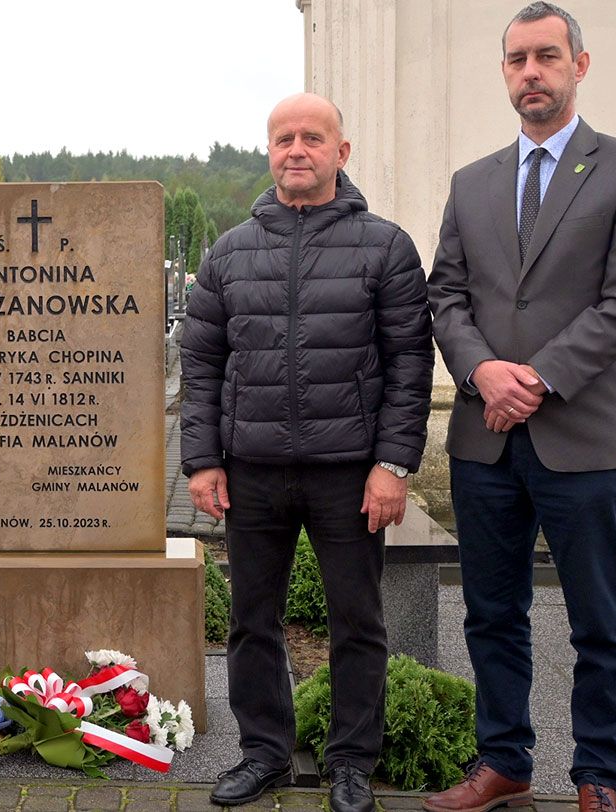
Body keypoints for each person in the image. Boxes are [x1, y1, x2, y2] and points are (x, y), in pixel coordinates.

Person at [424, 5, 616, 812]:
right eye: (517, 59)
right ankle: (505, 761)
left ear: (579, 65)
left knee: (603, 621)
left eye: (547, 56)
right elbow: (445, 296)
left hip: (585, 439)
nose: (531, 72)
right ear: (504, 71)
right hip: (485, 443)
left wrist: (532, 379)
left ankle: (600, 777)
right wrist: (480, 371)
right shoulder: (472, 183)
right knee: (492, 615)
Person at [180, 92, 433, 809]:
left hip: (348, 473)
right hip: (252, 471)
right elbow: (202, 362)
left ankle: (350, 762)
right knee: (251, 621)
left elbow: (409, 363)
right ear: (269, 152)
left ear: (340, 152)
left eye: (312, 138)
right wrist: (202, 459)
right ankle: (264, 753)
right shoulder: (230, 252)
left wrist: (392, 465)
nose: (297, 149)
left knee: (358, 621)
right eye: (283, 138)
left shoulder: (385, 247)